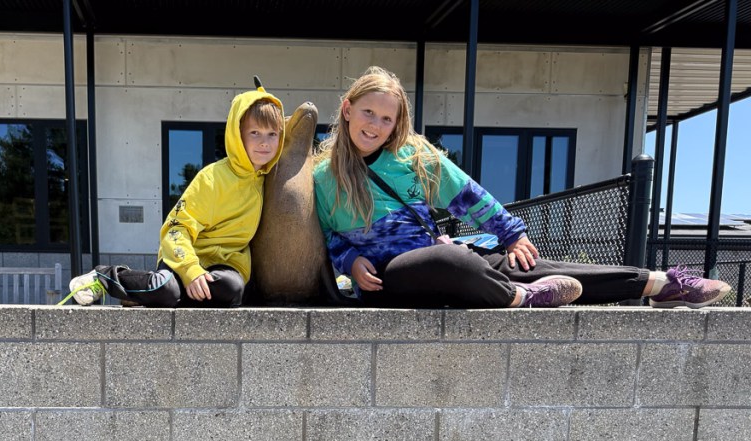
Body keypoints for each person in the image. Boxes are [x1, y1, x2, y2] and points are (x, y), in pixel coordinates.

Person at [313, 65, 731, 309]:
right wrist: (350, 261)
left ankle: (659, 284)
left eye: (387, 119)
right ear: (348, 110)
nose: (376, 125)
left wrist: (511, 234)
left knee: (536, 266)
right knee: (449, 262)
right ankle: (520, 298)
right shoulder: (321, 177)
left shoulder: (412, 157)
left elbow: (467, 195)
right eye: (368, 112)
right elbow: (328, 236)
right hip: (391, 280)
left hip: (444, 255)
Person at [63, 83, 284, 307]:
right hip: (184, 259)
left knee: (232, 290)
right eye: (254, 132)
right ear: (237, 134)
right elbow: (175, 228)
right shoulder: (213, 178)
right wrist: (191, 270)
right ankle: (105, 277)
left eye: (272, 133)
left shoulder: (271, 181)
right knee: (166, 290)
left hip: (224, 266)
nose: (264, 142)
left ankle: (142, 293)